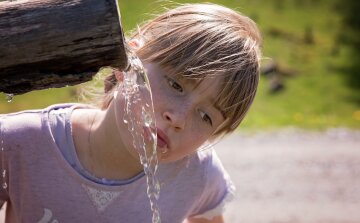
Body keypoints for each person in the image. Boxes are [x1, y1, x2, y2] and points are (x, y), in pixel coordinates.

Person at [0, 3, 261, 223]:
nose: (179, 118)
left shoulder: (197, 174)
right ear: (128, 60)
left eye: (206, 116)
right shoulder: (18, 143)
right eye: (176, 85)